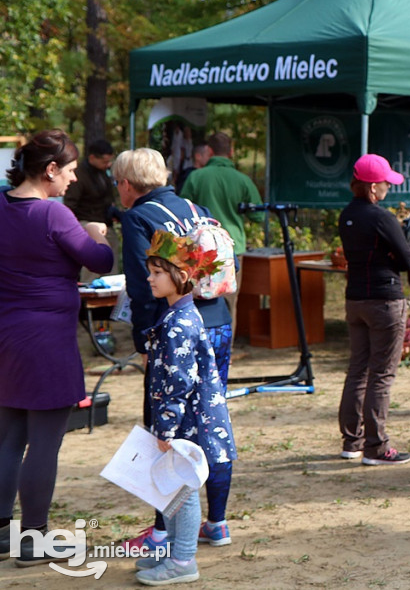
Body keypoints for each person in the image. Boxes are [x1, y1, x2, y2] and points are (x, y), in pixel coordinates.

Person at [113, 148, 235, 553]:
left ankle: (162, 533)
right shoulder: (195, 207)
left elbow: (140, 284)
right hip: (216, 321)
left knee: (165, 429)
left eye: (118, 183)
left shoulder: (138, 217)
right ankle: (216, 522)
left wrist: (144, 342)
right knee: (211, 418)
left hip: (172, 328)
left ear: (127, 185)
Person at [0, 130, 113, 565]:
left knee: (8, 437)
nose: (71, 180)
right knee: (45, 442)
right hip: (46, 341)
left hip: (7, 337)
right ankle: (34, 538)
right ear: (49, 170)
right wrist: (95, 233)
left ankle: (1, 533)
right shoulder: (54, 215)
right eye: (68, 171)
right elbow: (99, 262)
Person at [134, 230, 237, 586]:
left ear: (180, 277)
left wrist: (166, 428)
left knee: (183, 491)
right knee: (172, 489)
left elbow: (178, 386)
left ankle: (182, 561)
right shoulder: (179, 315)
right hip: (183, 422)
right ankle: (174, 552)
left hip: (187, 425)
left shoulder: (180, 323)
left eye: (157, 272)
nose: (149, 278)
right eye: (150, 271)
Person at [338, 154, 410, 465]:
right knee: (381, 374)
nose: (388, 187)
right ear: (372, 188)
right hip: (384, 299)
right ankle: (377, 447)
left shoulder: (346, 215)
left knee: (358, 370)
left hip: (355, 298)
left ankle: (351, 441)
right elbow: (407, 260)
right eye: (385, 182)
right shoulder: (382, 217)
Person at [180, 132, 263, 338]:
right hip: (232, 249)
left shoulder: (196, 177)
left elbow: (181, 212)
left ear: (209, 151)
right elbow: (258, 215)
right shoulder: (242, 180)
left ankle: (198, 347)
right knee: (228, 301)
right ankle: (226, 352)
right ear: (232, 151)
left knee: (195, 298)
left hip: (198, 249)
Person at [64, 138, 118, 279]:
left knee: (112, 267)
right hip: (86, 223)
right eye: (104, 161)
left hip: (106, 223)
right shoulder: (79, 175)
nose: (108, 165)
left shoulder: (103, 173)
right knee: (91, 271)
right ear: (92, 157)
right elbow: (70, 204)